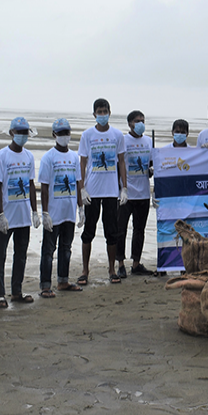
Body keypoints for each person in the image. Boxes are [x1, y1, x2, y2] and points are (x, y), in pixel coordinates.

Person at [79, 98, 127, 285]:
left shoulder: (117, 135)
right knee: (88, 231)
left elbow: (121, 161)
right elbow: (82, 162)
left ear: (109, 112)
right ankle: (85, 270)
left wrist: (124, 188)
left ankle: (112, 269)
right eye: (99, 112)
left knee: (112, 232)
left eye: (105, 111)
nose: (102, 115)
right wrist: (82, 188)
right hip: (92, 191)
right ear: (94, 114)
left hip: (110, 192)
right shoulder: (87, 135)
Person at [0, 116, 40, 306]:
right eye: (18, 132)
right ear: (12, 133)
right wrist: (0, 214)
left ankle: (17, 291)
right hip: (7, 217)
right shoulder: (1, 156)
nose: (22, 135)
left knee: (20, 255)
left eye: (25, 132)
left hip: (23, 217)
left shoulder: (28, 156)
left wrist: (35, 211)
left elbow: (30, 185)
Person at [39, 118, 84, 297]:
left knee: (66, 248)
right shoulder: (48, 158)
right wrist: (45, 213)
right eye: (61, 133)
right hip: (54, 212)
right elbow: (43, 186)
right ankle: (45, 285)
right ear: (54, 135)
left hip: (69, 212)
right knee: (49, 250)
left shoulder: (74, 157)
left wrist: (81, 208)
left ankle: (63, 281)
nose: (65, 136)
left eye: (67, 132)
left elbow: (78, 183)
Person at [117, 110, 154, 277]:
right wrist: (121, 189)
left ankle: (136, 263)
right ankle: (120, 264)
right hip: (126, 194)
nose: (141, 123)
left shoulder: (149, 141)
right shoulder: (123, 141)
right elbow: (119, 165)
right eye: (137, 121)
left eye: (143, 120)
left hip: (144, 193)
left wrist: (152, 170)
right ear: (130, 123)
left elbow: (152, 164)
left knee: (139, 230)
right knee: (121, 229)